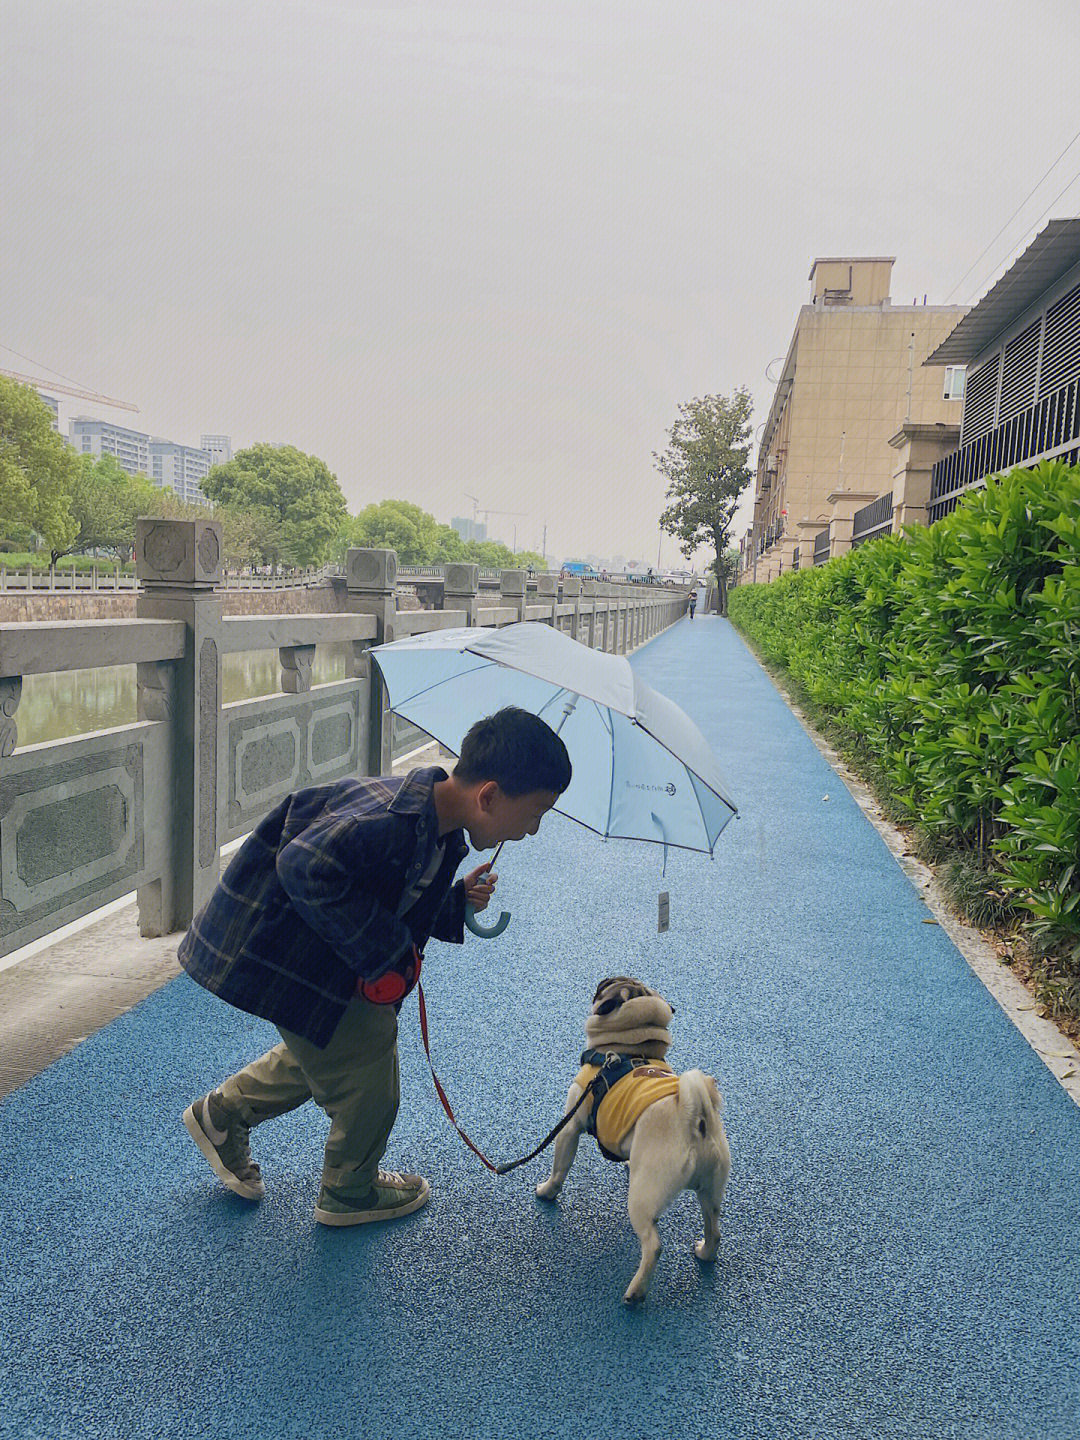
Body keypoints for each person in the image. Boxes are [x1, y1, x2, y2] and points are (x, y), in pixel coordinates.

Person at [179, 706, 571, 1227]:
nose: (535, 830)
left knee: (326, 1045)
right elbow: (302, 865)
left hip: (323, 956)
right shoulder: (387, 821)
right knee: (371, 1078)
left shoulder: (443, 830)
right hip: (279, 946)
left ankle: (222, 1115)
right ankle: (348, 1190)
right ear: (490, 797)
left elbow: (395, 896)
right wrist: (386, 951)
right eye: (536, 813)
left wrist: (455, 902)